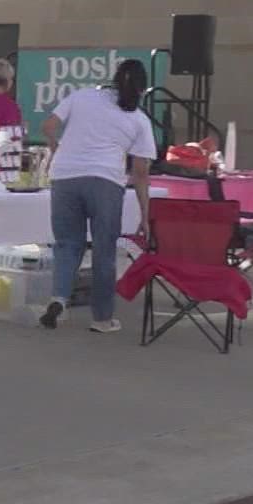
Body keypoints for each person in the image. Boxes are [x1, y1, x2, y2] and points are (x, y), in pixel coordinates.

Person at [39, 59, 155, 333]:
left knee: (67, 244)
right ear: (142, 88)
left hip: (65, 175)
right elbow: (140, 173)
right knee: (104, 250)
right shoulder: (139, 119)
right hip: (105, 181)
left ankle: (59, 299)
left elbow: (48, 126)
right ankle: (102, 318)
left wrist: (56, 147)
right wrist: (145, 214)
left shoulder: (83, 96)